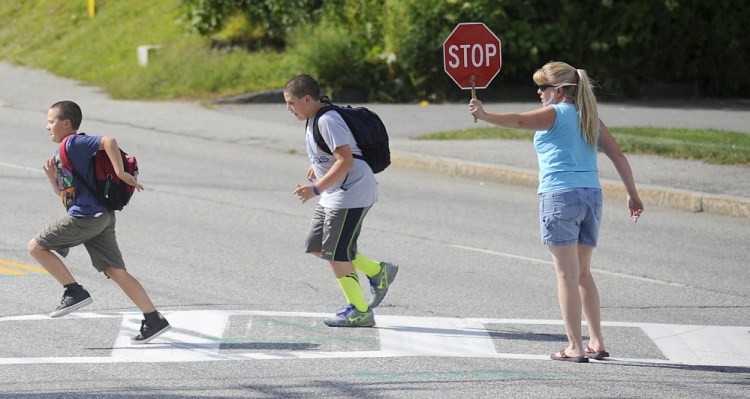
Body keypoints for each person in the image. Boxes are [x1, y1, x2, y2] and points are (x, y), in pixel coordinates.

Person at [469, 61, 644, 363]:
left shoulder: (556, 113)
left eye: (543, 87)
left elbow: (520, 121)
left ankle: (574, 347)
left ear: (560, 90)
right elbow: (617, 154)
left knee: (566, 275)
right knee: (583, 274)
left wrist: (484, 115)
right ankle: (597, 341)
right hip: (591, 196)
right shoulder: (590, 118)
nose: (539, 92)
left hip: (560, 197)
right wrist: (632, 194)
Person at [27, 100, 171, 344]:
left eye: (51, 121)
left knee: (36, 247)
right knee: (115, 271)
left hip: (87, 218)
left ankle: (74, 291)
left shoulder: (73, 143)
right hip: (100, 217)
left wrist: (120, 172)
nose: (47, 126)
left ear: (66, 123)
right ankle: (154, 318)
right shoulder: (63, 152)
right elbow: (68, 196)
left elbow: (109, 141)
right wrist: (53, 181)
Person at [283, 74, 398, 327]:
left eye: (291, 103)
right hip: (334, 193)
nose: (288, 108)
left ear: (307, 99)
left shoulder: (328, 120)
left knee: (335, 252)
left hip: (352, 192)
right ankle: (378, 271)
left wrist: (315, 188)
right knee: (318, 245)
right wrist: (317, 167)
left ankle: (360, 311)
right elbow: (332, 154)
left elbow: (345, 160)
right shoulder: (312, 118)